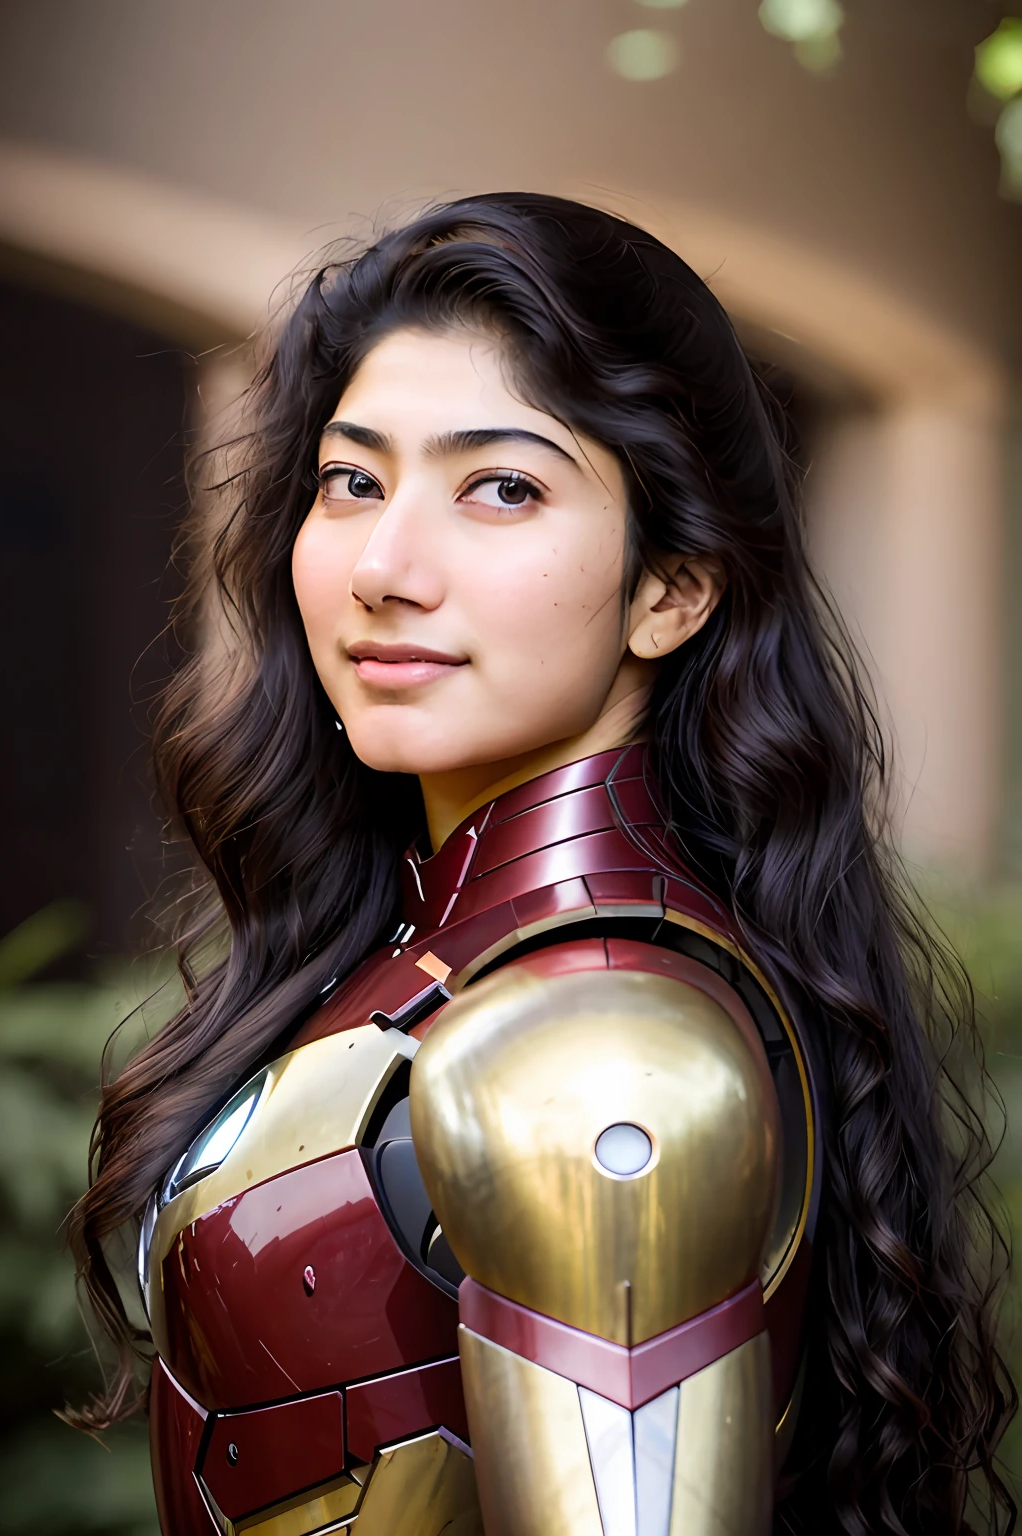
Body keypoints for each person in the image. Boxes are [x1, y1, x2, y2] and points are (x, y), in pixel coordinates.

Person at [69, 194, 1013, 1535]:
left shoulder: (597, 1044)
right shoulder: (446, 956)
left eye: (500, 487)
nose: (385, 567)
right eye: (352, 481)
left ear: (670, 588)